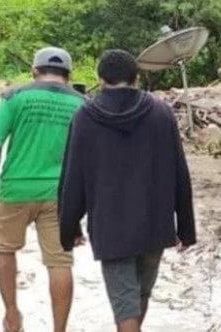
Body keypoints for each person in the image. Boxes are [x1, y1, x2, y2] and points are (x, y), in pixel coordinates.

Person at [58, 49, 196, 332]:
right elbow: (180, 172)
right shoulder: (161, 113)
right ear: (135, 78)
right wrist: (186, 227)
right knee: (138, 299)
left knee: (125, 304)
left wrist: (69, 227)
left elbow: (73, 178)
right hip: (154, 224)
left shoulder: (85, 117)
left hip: (112, 227)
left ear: (100, 79)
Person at [0, 47, 85, 332]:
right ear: (69, 76)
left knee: (4, 250)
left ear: (34, 71)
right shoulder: (81, 104)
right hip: (60, 194)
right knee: (60, 263)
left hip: (15, 190)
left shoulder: (15, 98)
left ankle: (12, 315)